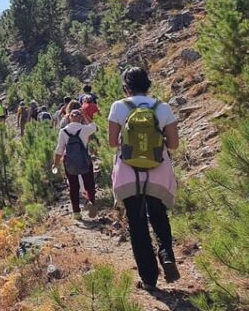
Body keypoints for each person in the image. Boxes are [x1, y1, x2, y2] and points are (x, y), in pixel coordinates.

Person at [108, 67, 181, 292]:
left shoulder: (119, 107)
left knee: (137, 224)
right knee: (158, 216)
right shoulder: (163, 107)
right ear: (148, 85)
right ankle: (166, 254)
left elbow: (112, 142)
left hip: (129, 173)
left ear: (125, 88)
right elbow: (174, 144)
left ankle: (149, 279)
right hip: (158, 171)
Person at [53, 109, 98, 220]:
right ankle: (91, 202)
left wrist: (55, 164)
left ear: (69, 117)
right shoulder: (85, 129)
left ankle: (76, 213)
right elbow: (94, 126)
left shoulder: (64, 131)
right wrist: (85, 115)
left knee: (73, 187)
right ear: (80, 117)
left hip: (69, 161)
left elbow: (59, 149)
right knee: (89, 184)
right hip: (85, 160)